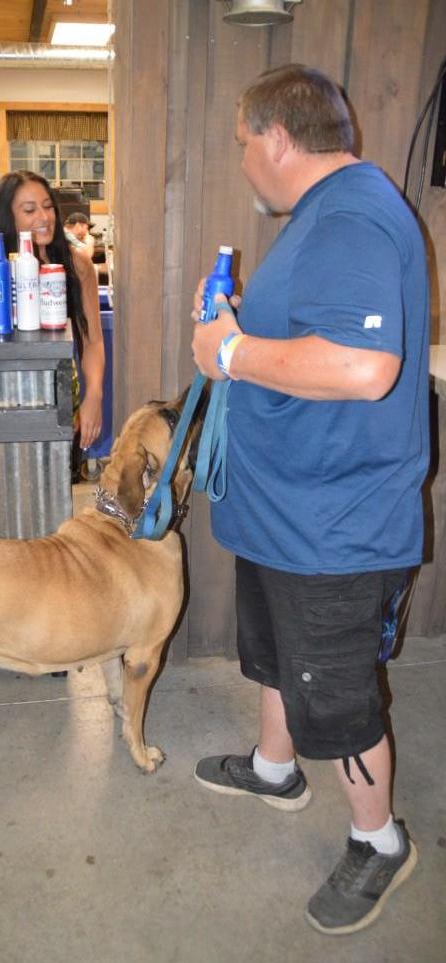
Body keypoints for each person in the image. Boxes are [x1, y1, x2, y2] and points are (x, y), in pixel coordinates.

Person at [190, 64, 429, 936]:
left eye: (243, 143)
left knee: (336, 695)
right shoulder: (324, 216)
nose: (243, 160)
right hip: (286, 512)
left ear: (278, 139)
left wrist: (230, 353)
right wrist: (242, 325)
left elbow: (364, 367)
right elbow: (317, 336)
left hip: (335, 527)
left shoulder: (352, 215)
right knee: (276, 658)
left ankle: (379, 839)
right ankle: (274, 767)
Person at [0, 171, 104, 452]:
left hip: (59, 398)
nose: (44, 217)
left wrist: (94, 396)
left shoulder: (77, 264)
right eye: (29, 210)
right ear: (6, 216)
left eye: (48, 207)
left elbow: (93, 340)